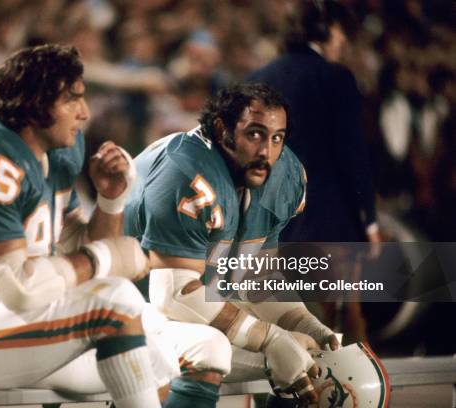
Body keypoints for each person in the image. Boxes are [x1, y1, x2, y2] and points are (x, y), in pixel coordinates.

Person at [0, 44, 164, 408]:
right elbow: (18, 286)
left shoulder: (59, 147)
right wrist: (103, 257)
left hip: (15, 320)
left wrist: (111, 199)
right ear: (36, 102)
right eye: (72, 100)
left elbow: (76, 250)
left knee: (161, 336)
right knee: (116, 304)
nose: (84, 112)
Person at [124, 83, 339, 407]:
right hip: (126, 299)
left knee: (307, 352)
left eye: (276, 137)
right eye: (254, 134)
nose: (266, 151)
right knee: (217, 348)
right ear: (223, 130)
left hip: (191, 297)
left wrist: (303, 322)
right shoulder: (184, 173)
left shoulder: (284, 175)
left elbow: (256, 277)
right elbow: (173, 296)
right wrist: (270, 339)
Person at [247, 0, 380, 341]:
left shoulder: (259, 78)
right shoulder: (335, 77)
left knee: (285, 317)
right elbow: (352, 154)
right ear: (325, 30)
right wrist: (369, 220)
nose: (344, 41)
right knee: (342, 316)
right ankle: (352, 391)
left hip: (271, 222)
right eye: (340, 32)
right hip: (329, 220)